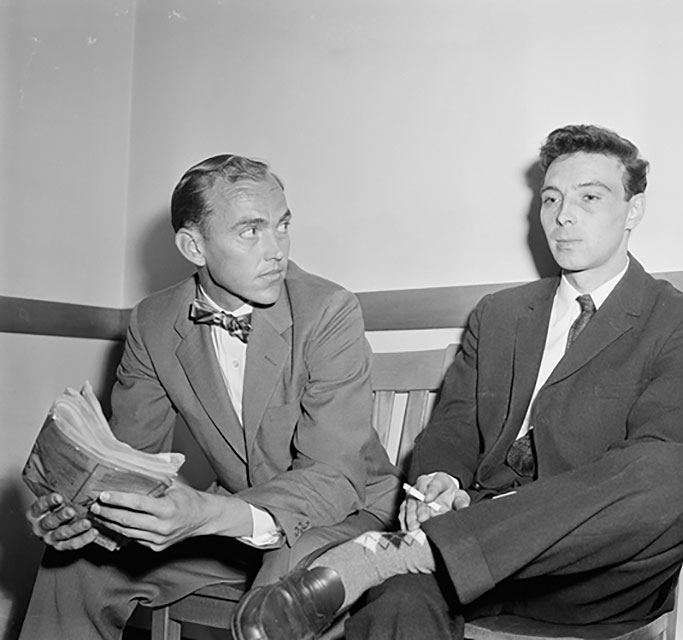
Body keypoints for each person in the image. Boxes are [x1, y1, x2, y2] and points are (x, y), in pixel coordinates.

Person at [231, 125, 683, 640]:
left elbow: (655, 462)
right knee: (398, 599)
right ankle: (408, 555)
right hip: (466, 569)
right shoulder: (499, 314)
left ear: (634, 209)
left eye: (589, 197)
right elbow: (454, 426)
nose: (563, 215)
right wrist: (439, 480)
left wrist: (471, 529)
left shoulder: (680, 319)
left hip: (588, 575)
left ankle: (390, 555)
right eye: (551, 198)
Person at [19, 154, 400, 640]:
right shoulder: (154, 321)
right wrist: (82, 515)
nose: (276, 251)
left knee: (286, 581)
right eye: (250, 231)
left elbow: (333, 478)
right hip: (234, 520)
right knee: (74, 564)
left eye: (282, 226)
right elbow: (130, 460)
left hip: (350, 514)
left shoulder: (328, 310)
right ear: (194, 246)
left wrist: (204, 513)